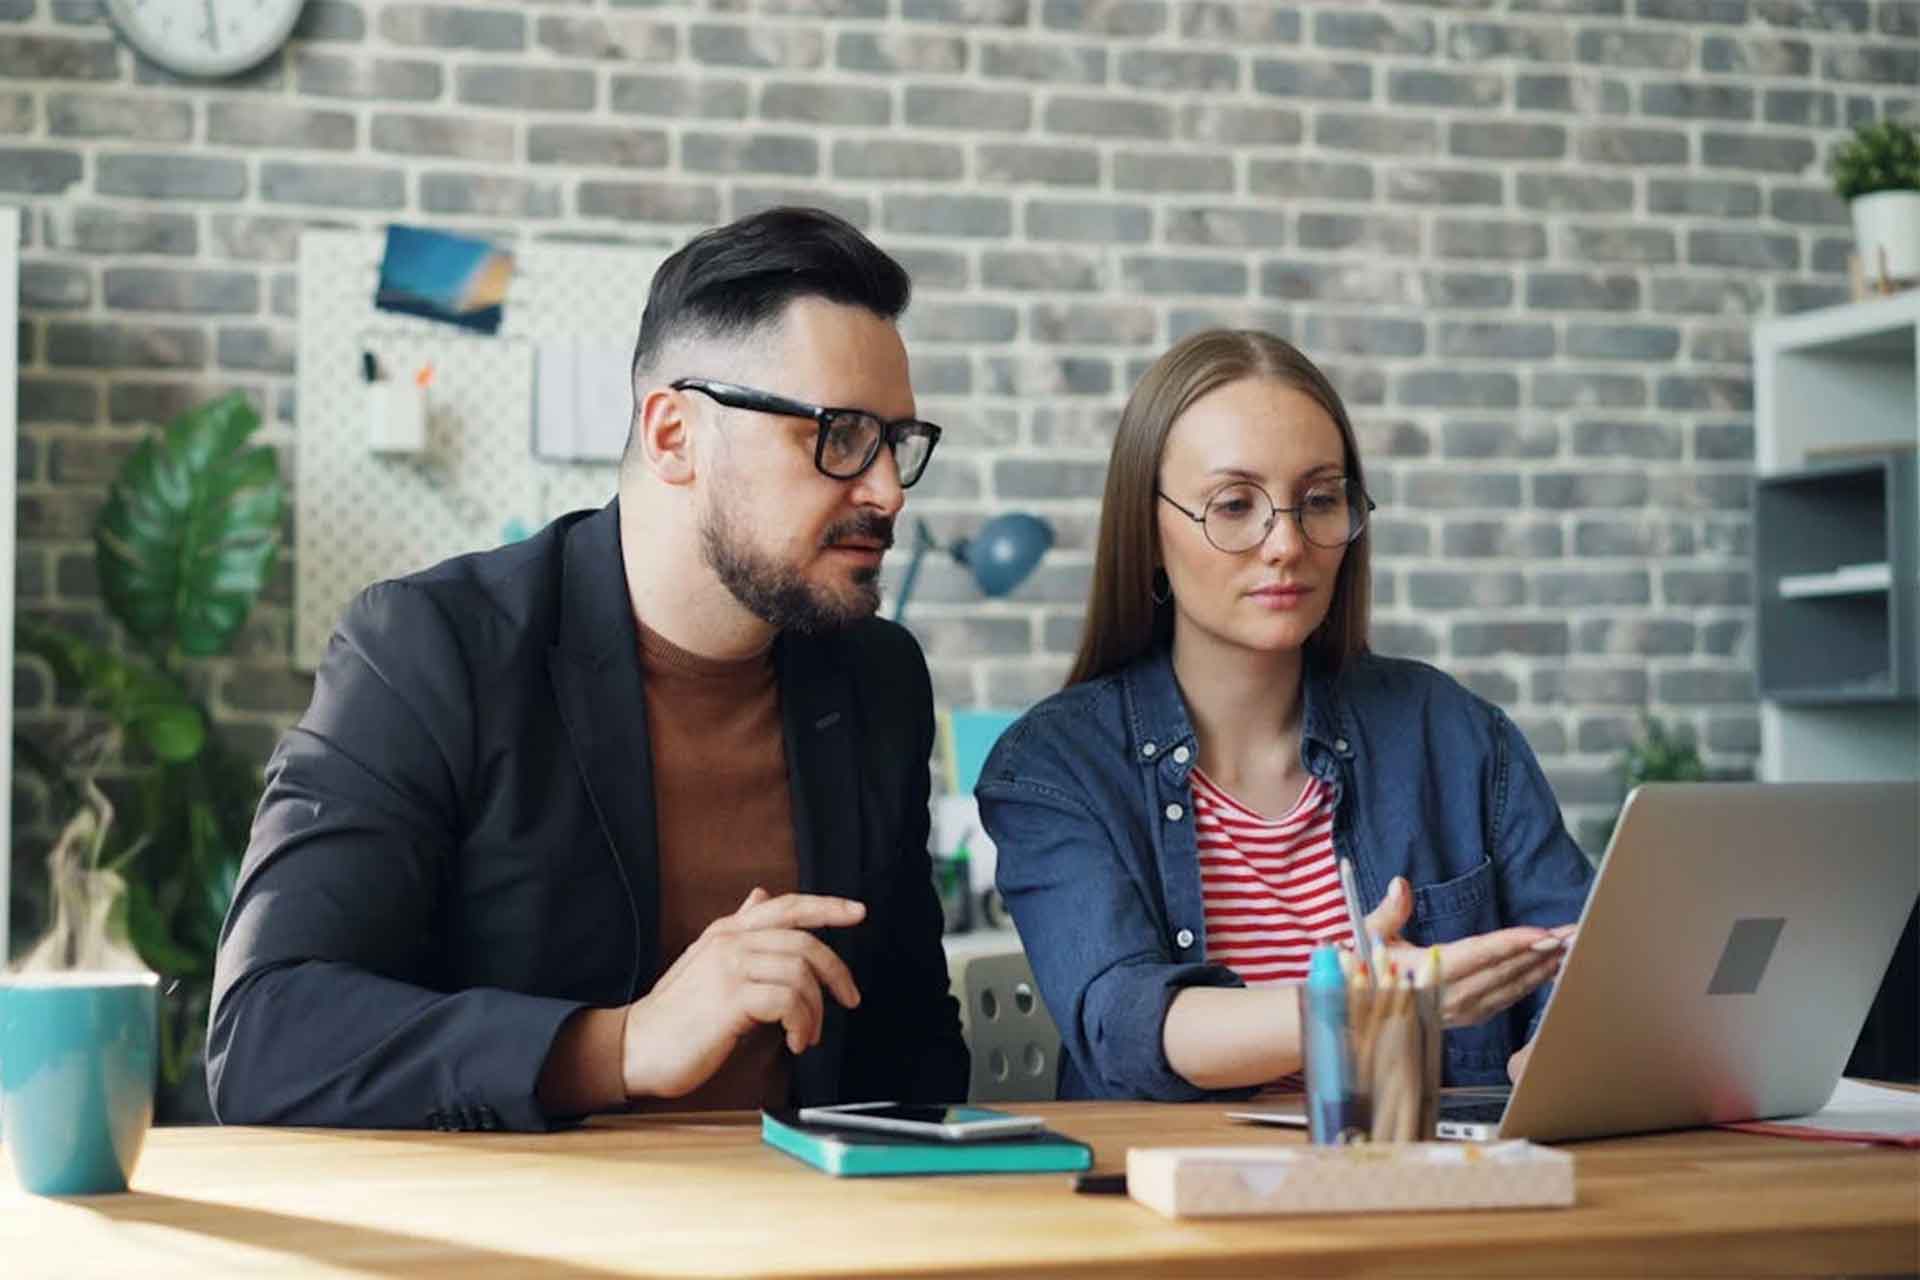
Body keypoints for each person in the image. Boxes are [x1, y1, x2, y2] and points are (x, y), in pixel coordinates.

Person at [209, 207, 969, 1130]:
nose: (886, 487)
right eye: (839, 435)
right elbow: (263, 1034)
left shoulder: (876, 678)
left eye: (897, 442)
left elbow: (910, 1046)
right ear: (673, 434)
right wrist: (620, 1045)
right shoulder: (431, 648)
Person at [975, 329, 1593, 1101]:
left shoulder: (1457, 736)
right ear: (1150, 532)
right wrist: (1362, 1008)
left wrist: (1562, 1053)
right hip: (1174, 1206)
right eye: (1235, 505)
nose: (1287, 543)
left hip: (1426, 1196)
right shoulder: (1054, 766)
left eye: (1320, 500)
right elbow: (1127, 1023)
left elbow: (1583, 965)